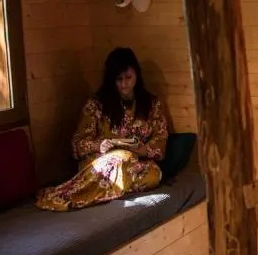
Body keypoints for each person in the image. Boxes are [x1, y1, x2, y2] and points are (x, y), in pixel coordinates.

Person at [36, 47, 168, 211]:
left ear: (137, 75)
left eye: (128, 77)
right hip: (102, 162)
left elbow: (161, 141)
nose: (124, 84)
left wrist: (143, 150)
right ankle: (73, 195)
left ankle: (104, 191)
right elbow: (77, 145)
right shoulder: (96, 105)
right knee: (120, 160)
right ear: (111, 80)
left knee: (154, 175)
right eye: (119, 79)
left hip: (136, 164)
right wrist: (99, 145)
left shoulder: (152, 104)